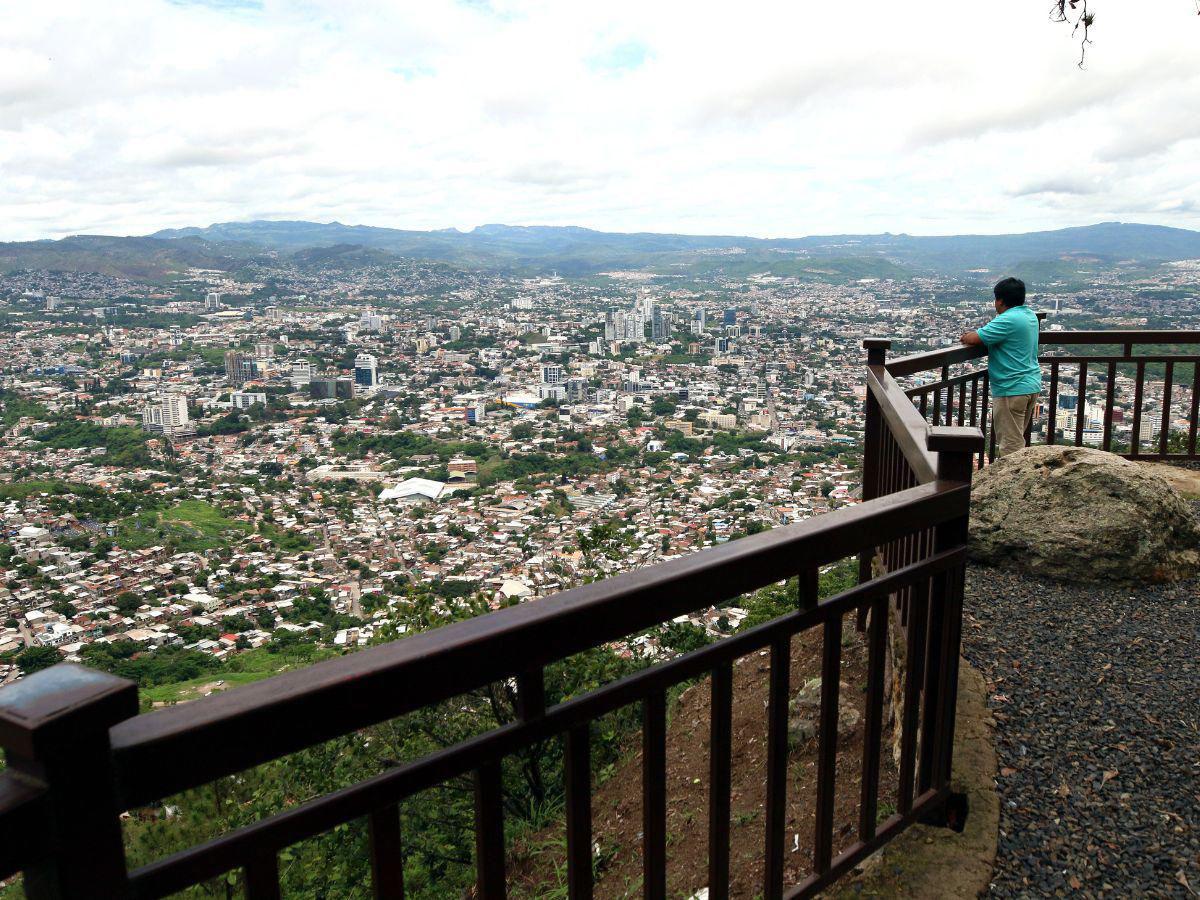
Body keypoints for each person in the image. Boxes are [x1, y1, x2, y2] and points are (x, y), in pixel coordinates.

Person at [960, 277, 1041, 457]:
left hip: (1011, 388)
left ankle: (1014, 483)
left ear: (1000, 300)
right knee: (1017, 439)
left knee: (1010, 447)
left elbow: (973, 338)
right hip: (1030, 385)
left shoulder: (1008, 319)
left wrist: (965, 336)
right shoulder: (1029, 315)